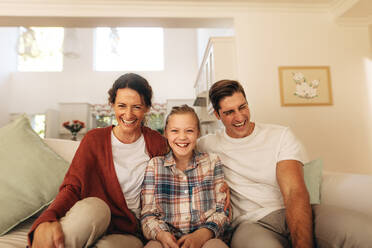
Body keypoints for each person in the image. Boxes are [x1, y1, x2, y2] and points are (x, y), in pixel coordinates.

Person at [197, 79, 372, 248]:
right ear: (217, 115)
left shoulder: (279, 135)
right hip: (251, 224)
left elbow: (293, 191)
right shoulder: (207, 144)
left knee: (365, 233)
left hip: (297, 210)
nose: (240, 116)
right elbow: (173, 147)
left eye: (242, 107)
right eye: (229, 112)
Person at [28, 73, 168, 248]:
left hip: (128, 229)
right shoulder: (94, 139)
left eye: (137, 107)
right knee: (95, 207)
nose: (128, 114)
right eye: (122, 106)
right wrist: (49, 217)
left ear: (147, 108)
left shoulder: (157, 143)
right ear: (112, 105)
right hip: (95, 216)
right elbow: (73, 186)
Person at [141, 105, 230, 248]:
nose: (182, 137)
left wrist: (203, 233)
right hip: (166, 240)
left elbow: (222, 211)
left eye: (189, 131)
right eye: (175, 131)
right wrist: (161, 234)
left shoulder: (213, 162)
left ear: (198, 133)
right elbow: (148, 215)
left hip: (205, 239)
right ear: (166, 133)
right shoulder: (155, 165)